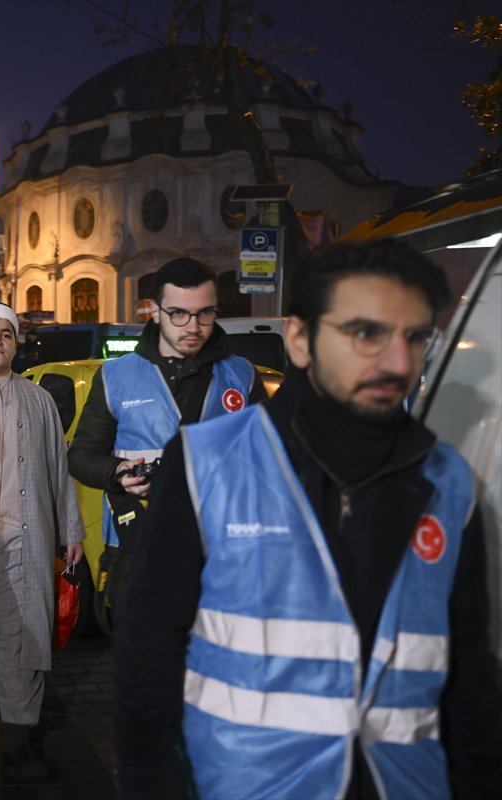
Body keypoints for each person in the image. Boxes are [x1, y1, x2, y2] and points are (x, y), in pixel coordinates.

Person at [114, 239, 502, 799]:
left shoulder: (449, 482)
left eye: (413, 336)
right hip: (252, 786)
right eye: (365, 333)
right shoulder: (207, 463)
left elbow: (467, 674)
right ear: (300, 338)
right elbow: (149, 646)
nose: (396, 361)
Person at [67, 257, 266, 616]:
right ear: (155, 312)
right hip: (139, 545)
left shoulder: (241, 375)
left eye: (205, 313)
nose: (193, 326)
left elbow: (268, 461)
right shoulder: (115, 376)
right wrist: (117, 472)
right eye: (178, 314)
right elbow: (81, 456)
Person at [0, 302, 85, 782]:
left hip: (21, 536)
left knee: (21, 638)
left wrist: (70, 529)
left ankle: (16, 744)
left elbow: (58, 469)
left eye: (5, 335)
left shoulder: (39, 399)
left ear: (15, 342)